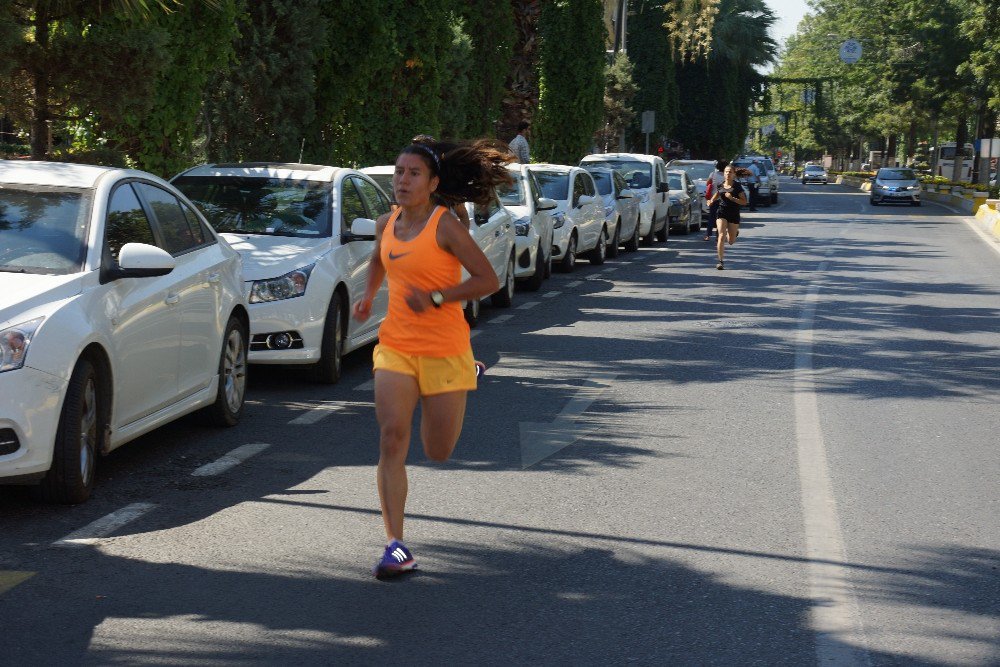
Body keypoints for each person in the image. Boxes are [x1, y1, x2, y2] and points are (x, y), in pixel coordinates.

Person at [352, 138, 514, 579]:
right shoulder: (387, 222)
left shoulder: (446, 226)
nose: (402, 180)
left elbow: (488, 279)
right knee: (391, 438)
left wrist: (440, 295)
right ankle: (396, 546)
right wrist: (367, 297)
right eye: (398, 172)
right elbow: (378, 260)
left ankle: (468, 372)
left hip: (444, 349)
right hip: (396, 346)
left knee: (437, 450)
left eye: (413, 173)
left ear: (433, 183)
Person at [706, 164, 748, 270]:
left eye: (730, 172)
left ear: (734, 174)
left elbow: (744, 202)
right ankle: (720, 261)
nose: (728, 174)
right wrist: (710, 201)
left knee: (730, 241)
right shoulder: (721, 185)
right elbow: (716, 196)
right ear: (723, 174)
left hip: (734, 214)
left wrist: (733, 198)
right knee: (721, 235)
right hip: (722, 212)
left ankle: (734, 233)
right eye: (726, 172)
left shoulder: (737, 186)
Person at [703, 159, 727, 241]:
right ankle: (718, 235)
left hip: (713, 199)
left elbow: (707, 184)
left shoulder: (712, 174)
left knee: (712, 217)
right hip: (724, 200)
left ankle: (708, 235)